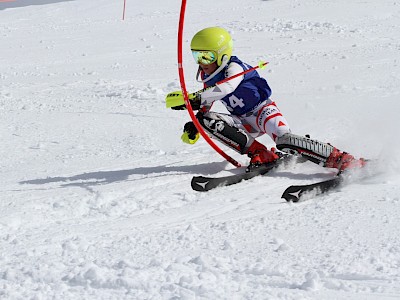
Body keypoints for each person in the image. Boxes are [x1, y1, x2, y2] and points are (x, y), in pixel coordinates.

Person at [166, 27, 365, 172]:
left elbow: (227, 87)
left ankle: (340, 159)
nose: (202, 63)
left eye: (207, 57)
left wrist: (193, 98)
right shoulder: (207, 75)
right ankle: (261, 153)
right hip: (241, 120)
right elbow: (207, 102)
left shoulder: (233, 67)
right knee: (206, 120)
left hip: (263, 112)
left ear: (222, 54)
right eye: (196, 56)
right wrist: (196, 122)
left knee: (285, 140)